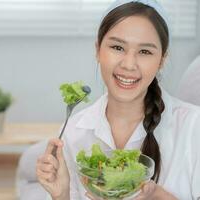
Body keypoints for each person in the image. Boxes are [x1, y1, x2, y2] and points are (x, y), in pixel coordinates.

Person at [36, 0, 200, 199]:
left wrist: (161, 196)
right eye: (117, 47)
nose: (129, 64)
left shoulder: (193, 127)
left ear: (162, 60)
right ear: (98, 50)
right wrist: (61, 195)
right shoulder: (73, 131)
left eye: (145, 51)